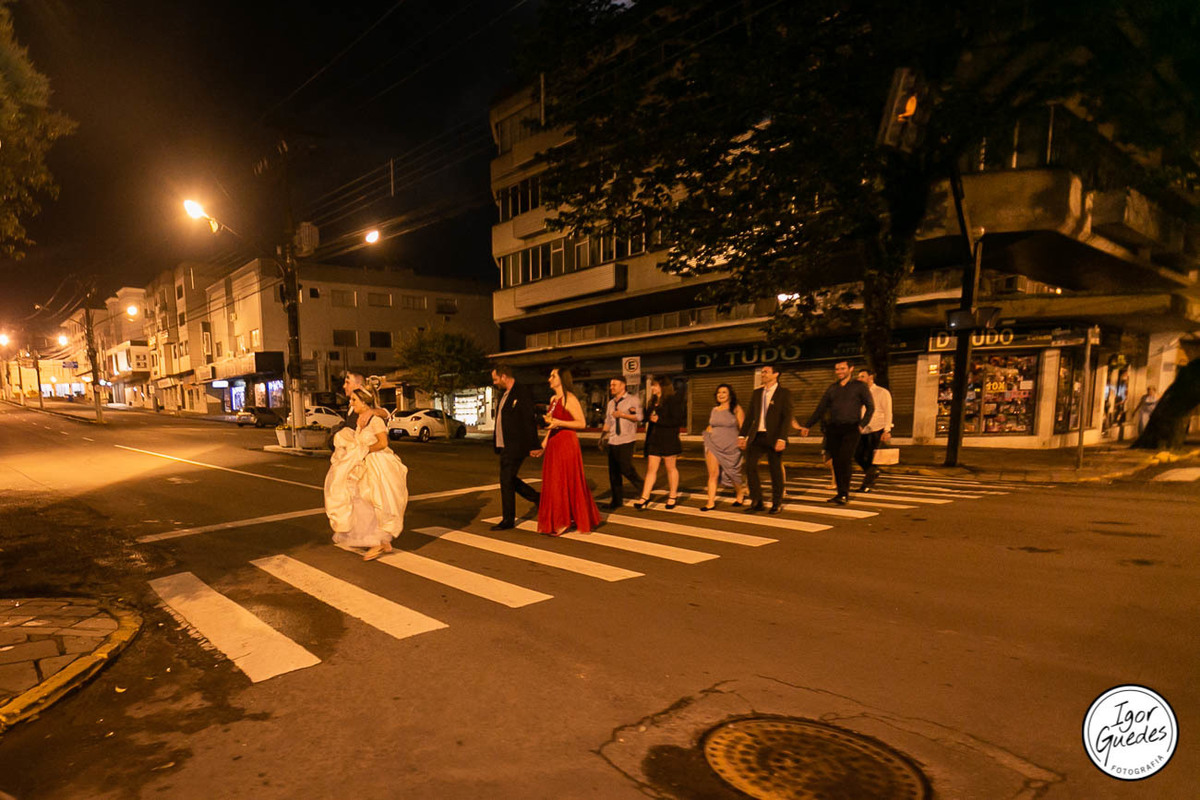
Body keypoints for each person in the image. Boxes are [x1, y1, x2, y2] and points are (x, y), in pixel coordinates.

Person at [324, 388, 409, 561]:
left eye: (354, 400)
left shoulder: (375, 420)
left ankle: (377, 541)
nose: (351, 403)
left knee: (371, 502)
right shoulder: (361, 421)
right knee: (364, 502)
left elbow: (383, 443)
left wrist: (363, 451)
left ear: (364, 402)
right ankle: (383, 541)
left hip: (377, 463)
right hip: (364, 462)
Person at [798, 361, 874, 506]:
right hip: (833, 429)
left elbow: (871, 407)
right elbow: (820, 408)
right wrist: (807, 425)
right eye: (837, 369)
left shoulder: (859, 387)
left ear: (851, 369)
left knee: (845, 460)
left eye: (842, 368)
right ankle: (839, 493)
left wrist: (862, 425)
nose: (839, 371)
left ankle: (844, 493)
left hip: (851, 429)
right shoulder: (832, 388)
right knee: (837, 462)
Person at [538, 367, 602, 535]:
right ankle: (561, 518)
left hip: (566, 443)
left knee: (563, 481)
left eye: (553, 376)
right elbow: (551, 425)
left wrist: (559, 422)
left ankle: (563, 521)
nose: (549, 379)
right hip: (554, 443)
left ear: (562, 379)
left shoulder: (569, 398)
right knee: (554, 482)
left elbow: (581, 423)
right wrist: (543, 444)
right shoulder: (553, 399)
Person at [491, 364, 543, 530]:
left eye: (495, 379)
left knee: (506, 480)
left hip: (516, 445)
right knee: (509, 479)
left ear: (504, 376)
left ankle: (508, 519)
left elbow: (529, 419)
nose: (494, 383)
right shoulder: (504, 394)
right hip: (504, 445)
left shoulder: (521, 392)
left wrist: (535, 445)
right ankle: (537, 498)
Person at [738, 364, 793, 514]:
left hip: (774, 437)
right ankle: (757, 501)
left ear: (776, 374)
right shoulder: (757, 393)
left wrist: (782, 438)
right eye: (762, 372)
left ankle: (777, 502)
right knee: (750, 466)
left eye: (766, 372)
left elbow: (786, 417)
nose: (763, 374)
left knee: (775, 469)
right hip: (757, 436)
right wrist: (742, 435)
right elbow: (749, 416)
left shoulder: (783, 393)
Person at [633, 376, 684, 510]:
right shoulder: (653, 401)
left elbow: (677, 421)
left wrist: (659, 420)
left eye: (655, 385)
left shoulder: (672, 400)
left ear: (662, 387)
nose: (652, 388)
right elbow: (646, 418)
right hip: (654, 440)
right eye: (652, 385)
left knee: (670, 467)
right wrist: (637, 412)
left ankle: (672, 496)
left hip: (669, 439)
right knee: (651, 469)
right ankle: (644, 497)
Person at [702, 384, 747, 511]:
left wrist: (743, 441)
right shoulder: (714, 410)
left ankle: (739, 493)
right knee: (713, 474)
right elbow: (711, 425)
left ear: (730, 395)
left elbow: (743, 427)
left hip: (731, 445)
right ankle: (710, 502)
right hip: (713, 444)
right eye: (718, 393)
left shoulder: (736, 409)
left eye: (724, 392)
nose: (720, 395)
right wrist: (707, 435)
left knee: (732, 472)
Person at [601, 377, 643, 509]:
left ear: (623, 385)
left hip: (626, 439)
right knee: (613, 472)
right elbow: (608, 421)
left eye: (614, 385)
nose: (611, 387)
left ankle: (642, 486)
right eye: (611, 385)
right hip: (613, 440)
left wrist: (623, 415)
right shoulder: (610, 403)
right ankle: (616, 500)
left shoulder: (633, 400)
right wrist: (602, 436)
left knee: (625, 468)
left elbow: (640, 417)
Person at [854, 368, 893, 493]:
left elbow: (888, 412)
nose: (859, 379)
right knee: (857, 454)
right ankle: (872, 472)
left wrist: (887, 430)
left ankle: (866, 485)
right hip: (862, 429)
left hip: (877, 428)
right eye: (858, 377)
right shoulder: (858, 393)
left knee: (871, 457)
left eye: (862, 376)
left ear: (870, 377)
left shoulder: (882, 392)